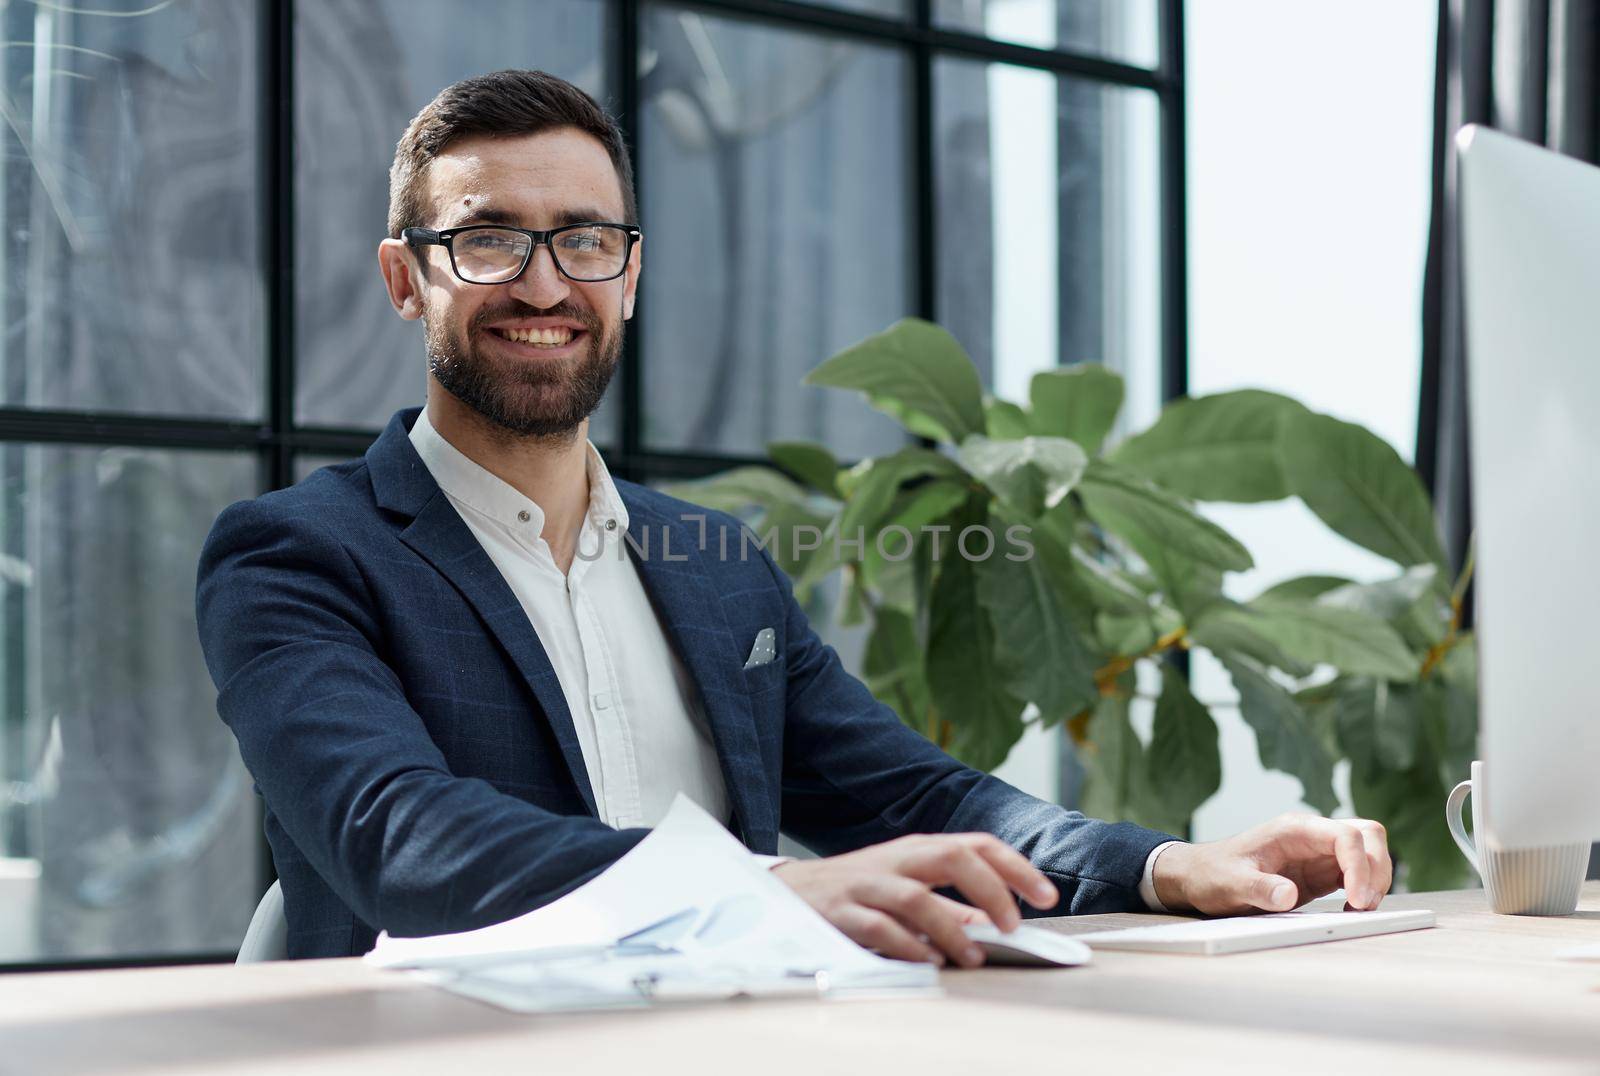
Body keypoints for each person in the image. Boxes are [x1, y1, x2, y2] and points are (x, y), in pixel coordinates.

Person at [195, 69, 1392, 964]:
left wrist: (1169, 861)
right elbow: (399, 838)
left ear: (631, 273)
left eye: (586, 241)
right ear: (407, 278)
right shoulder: (299, 556)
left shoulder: (711, 563)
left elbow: (922, 801)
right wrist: (761, 890)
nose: (547, 283)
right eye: (490, 240)